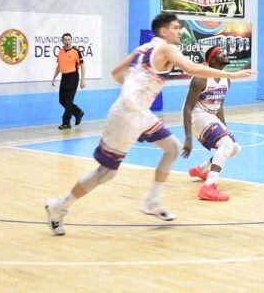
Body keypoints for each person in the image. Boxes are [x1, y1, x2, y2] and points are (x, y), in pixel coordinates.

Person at [44, 13, 253, 235]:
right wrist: (235, 74)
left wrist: (134, 88)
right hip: (126, 116)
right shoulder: (167, 48)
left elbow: (116, 73)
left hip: (139, 112)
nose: (179, 31)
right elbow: (192, 69)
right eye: (174, 27)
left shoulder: (142, 49)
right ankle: (59, 207)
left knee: (172, 148)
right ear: (163, 32)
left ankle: (152, 201)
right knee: (106, 173)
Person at [185, 46, 240, 202]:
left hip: (210, 115)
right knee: (227, 144)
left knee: (235, 148)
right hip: (197, 116)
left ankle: (202, 169)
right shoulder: (200, 78)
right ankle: (208, 187)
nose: (226, 54)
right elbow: (187, 108)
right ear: (213, 60)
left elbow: (219, 105)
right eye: (222, 53)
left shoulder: (226, 79)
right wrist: (188, 137)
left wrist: (224, 127)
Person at [51, 33, 86, 130]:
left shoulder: (76, 51)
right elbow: (59, 66)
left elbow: (82, 65)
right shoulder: (61, 52)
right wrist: (54, 77)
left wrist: (82, 80)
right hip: (64, 77)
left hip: (73, 77)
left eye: (69, 39)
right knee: (62, 101)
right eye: (65, 39)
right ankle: (78, 112)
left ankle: (66, 123)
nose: (67, 41)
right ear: (62, 41)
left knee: (69, 101)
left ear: (71, 40)